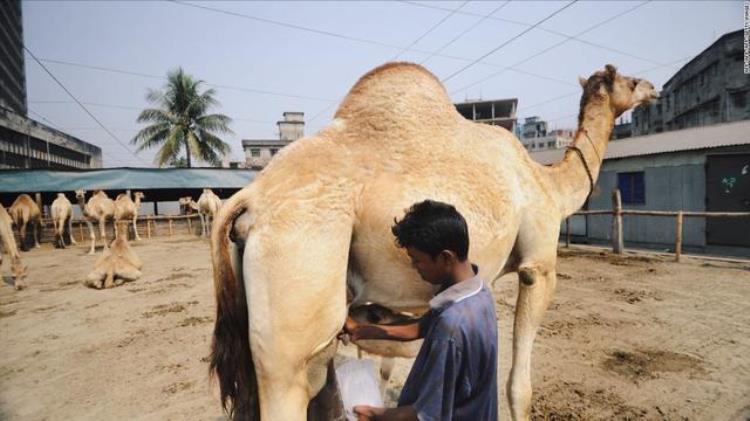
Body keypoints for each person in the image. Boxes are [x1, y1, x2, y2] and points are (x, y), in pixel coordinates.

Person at [343, 200, 498, 421]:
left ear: (445, 257)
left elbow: (423, 415)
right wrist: (363, 330)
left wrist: (374, 414)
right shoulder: (477, 292)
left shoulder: (451, 327)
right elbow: (420, 327)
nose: (415, 267)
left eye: (418, 260)